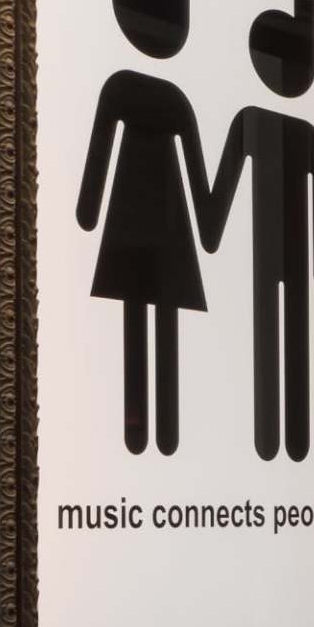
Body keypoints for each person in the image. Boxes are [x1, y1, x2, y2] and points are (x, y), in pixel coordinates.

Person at [199, 21, 314, 463]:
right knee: (281, 331)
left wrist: (211, 229)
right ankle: (280, 437)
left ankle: (284, 437)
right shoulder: (271, 126)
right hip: (278, 251)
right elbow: (227, 181)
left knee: (283, 332)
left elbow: (223, 189)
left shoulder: (269, 125)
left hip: (277, 251)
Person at [74, 48, 213, 455]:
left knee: (140, 318)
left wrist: (89, 208)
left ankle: (151, 433)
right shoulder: (171, 99)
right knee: (156, 321)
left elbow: (93, 181)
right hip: (162, 228)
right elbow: (201, 191)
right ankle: (159, 432)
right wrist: (209, 227)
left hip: (133, 223)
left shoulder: (122, 88)